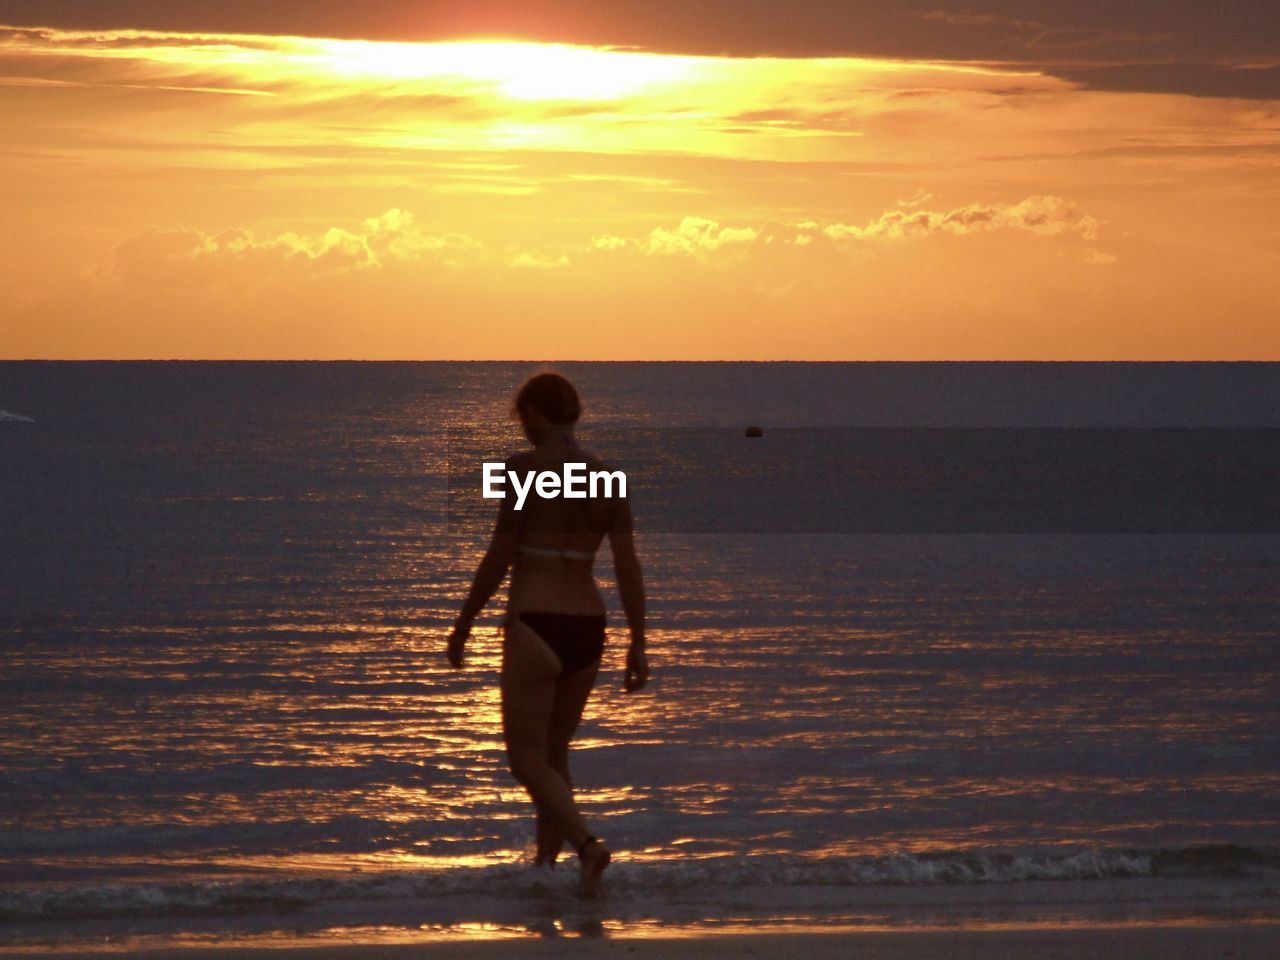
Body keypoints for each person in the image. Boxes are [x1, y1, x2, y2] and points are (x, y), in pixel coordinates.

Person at [446, 372, 648, 899]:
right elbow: (628, 569)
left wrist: (464, 623)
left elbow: (500, 556)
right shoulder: (610, 480)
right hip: (589, 626)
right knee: (555, 758)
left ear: (534, 413)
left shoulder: (519, 471)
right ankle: (546, 870)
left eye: (522, 418)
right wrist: (639, 641)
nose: (523, 429)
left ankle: (587, 845)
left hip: (536, 621)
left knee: (525, 760)